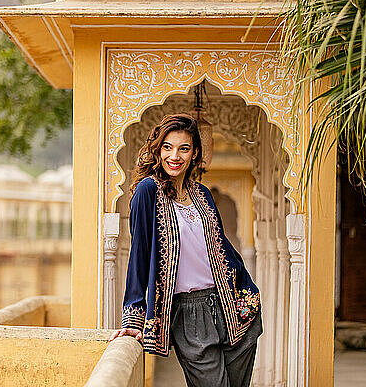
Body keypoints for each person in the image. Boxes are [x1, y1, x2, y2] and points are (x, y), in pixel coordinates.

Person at [109, 113, 262, 387]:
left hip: (229, 303)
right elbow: (139, 254)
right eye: (168, 147)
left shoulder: (201, 194)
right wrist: (133, 313)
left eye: (184, 148)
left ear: (194, 154)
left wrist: (249, 289)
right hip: (188, 313)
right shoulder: (147, 192)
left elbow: (221, 246)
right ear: (158, 149)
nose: (174, 156)